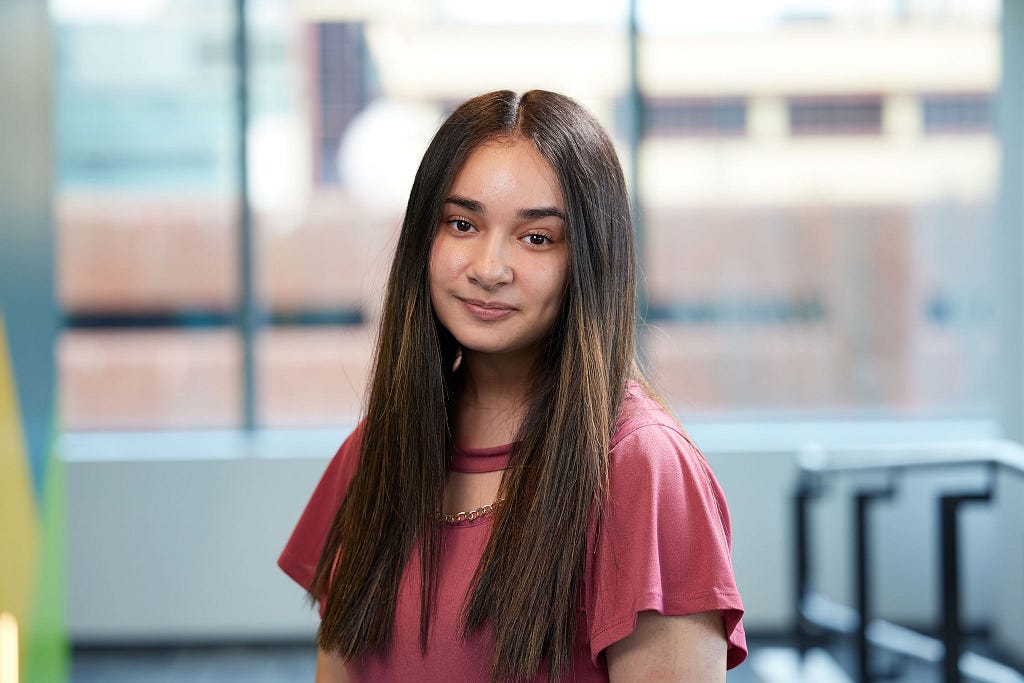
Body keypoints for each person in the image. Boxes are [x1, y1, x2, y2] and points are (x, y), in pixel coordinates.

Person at [278, 89, 746, 682]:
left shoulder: (640, 465)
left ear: (589, 260)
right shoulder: (378, 449)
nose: (489, 268)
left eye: (536, 238)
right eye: (462, 224)